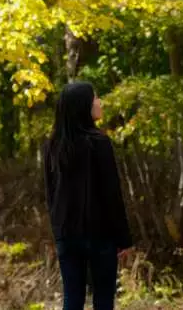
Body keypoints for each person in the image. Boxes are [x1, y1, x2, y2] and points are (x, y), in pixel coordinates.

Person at [44, 81, 132, 310]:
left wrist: (58, 230)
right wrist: (124, 239)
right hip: (100, 235)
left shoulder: (54, 145)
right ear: (83, 105)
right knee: (103, 299)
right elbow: (112, 194)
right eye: (96, 98)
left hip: (67, 234)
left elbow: (50, 193)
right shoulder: (99, 143)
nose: (99, 102)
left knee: (72, 299)